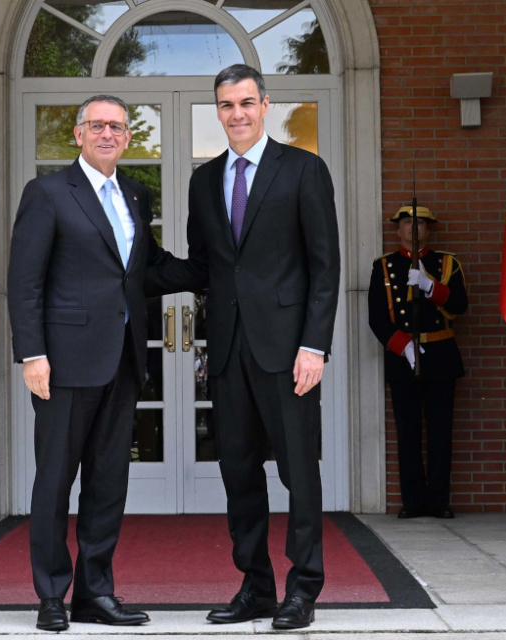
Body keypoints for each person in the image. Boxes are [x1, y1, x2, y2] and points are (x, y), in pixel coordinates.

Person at [145, 64, 340, 630]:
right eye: (227, 105)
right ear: (218, 110)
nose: (237, 114)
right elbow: (205, 267)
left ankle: (304, 589)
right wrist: (134, 263)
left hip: (288, 353)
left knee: (299, 475)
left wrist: (315, 345)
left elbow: (324, 269)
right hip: (227, 352)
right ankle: (256, 588)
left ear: (265, 104)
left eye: (247, 103)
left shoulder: (304, 170)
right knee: (239, 476)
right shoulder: (204, 181)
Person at [8, 95, 168, 631]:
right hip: (64, 361)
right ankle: (51, 594)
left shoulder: (136, 196)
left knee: (108, 482)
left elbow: (145, 272)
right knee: (55, 481)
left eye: (116, 126)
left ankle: (96, 593)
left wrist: (230, 268)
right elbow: (24, 281)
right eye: (96, 125)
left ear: (128, 137)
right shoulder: (48, 193)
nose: (106, 134)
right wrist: (32, 354)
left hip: (122, 360)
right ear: (77, 134)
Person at [367, 205, 467, 520]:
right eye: (407, 222)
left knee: (440, 433)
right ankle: (413, 501)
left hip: (440, 355)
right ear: (397, 229)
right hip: (403, 358)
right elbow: (376, 317)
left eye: (419, 223)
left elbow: (460, 305)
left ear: (428, 229)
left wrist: (429, 286)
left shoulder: (446, 263)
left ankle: (438, 502)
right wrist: (403, 345)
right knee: (407, 433)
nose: (412, 228)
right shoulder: (383, 266)